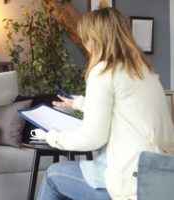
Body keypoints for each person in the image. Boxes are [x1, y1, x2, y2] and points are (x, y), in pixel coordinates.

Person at [37, 8, 174, 200]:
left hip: (131, 183)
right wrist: (79, 103)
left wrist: (52, 137)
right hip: (160, 178)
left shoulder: (103, 71)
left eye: (85, 39)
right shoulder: (143, 70)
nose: (85, 45)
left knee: (53, 174)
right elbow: (126, 111)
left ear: (94, 39)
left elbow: (93, 138)